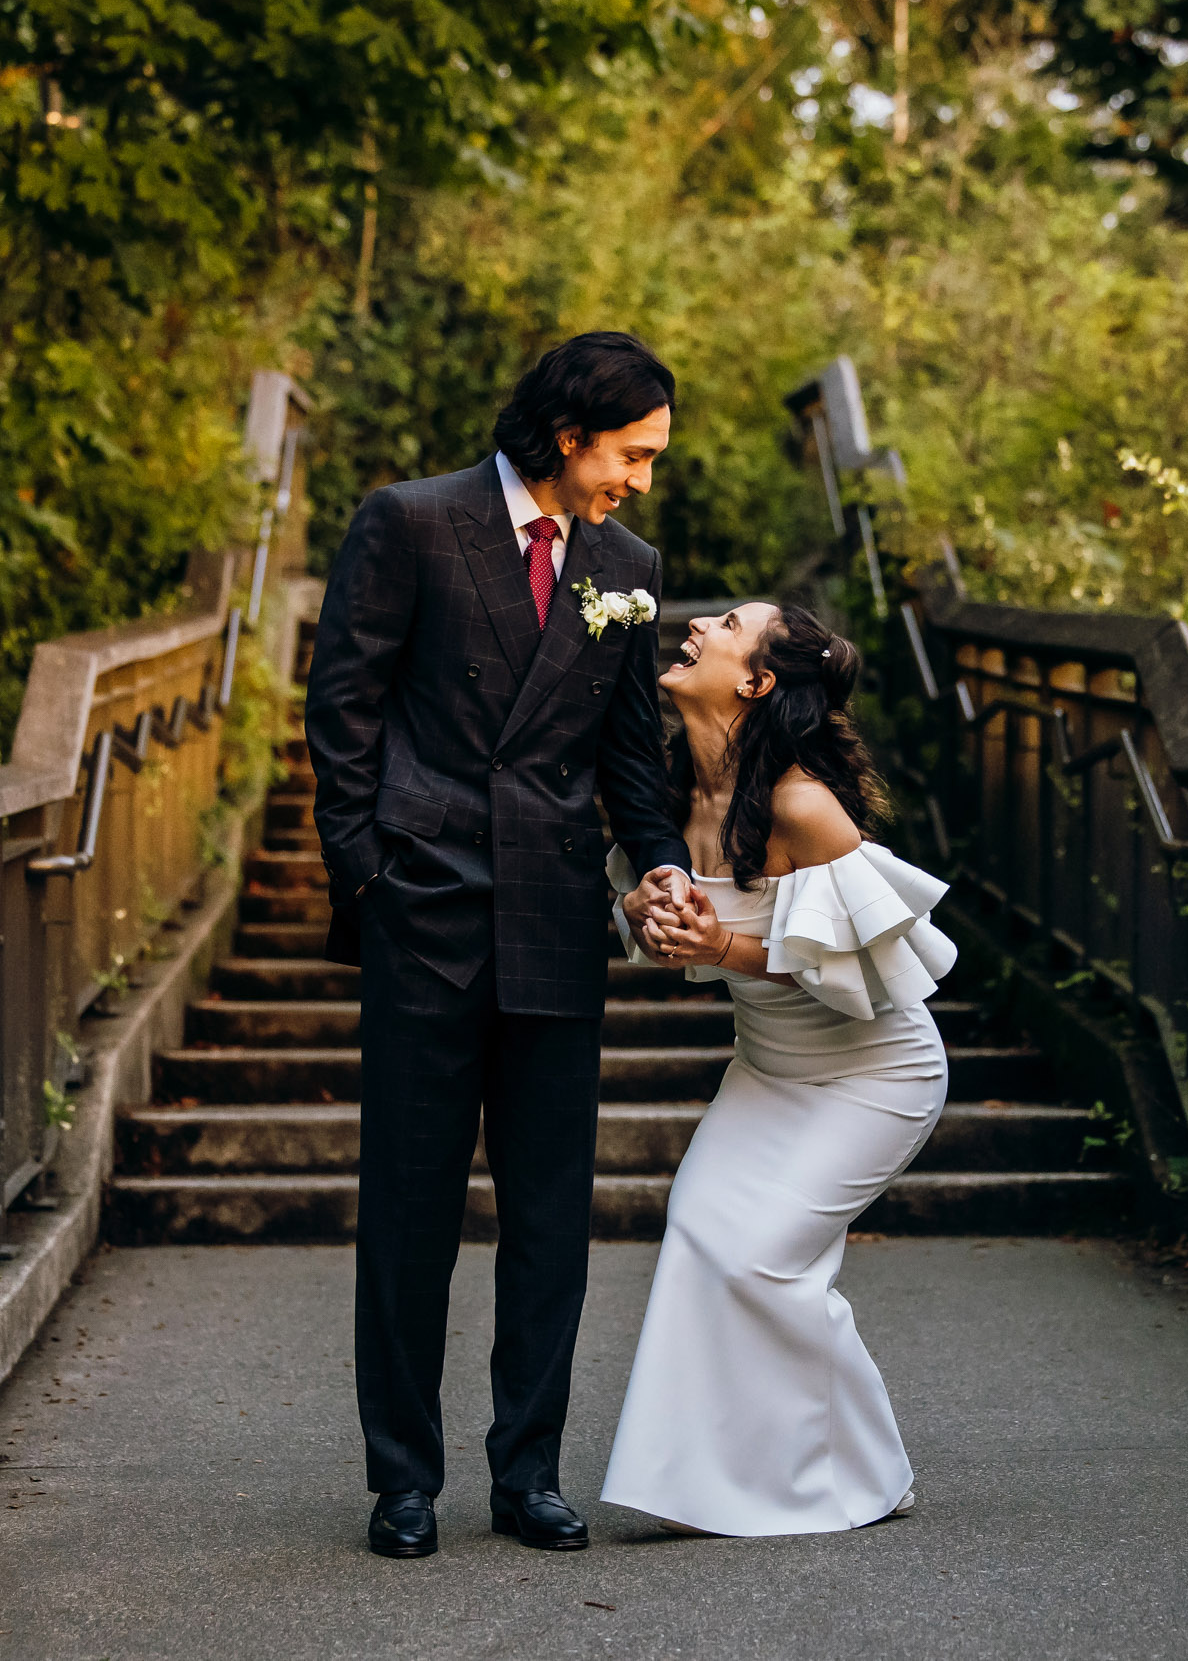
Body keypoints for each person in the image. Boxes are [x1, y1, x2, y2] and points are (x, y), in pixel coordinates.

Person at [303, 332, 696, 1559]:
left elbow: (631, 756)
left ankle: (527, 1470)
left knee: (548, 1218)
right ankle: (402, 1476)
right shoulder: (412, 521)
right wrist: (367, 873)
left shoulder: (626, 562)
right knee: (410, 1213)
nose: (639, 479)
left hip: (554, 916)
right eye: (633, 453)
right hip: (423, 905)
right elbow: (343, 708)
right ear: (572, 430)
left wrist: (661, 863)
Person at [601, 601, 957, 1536]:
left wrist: (724, 945)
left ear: (757, 681)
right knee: (698, 1233)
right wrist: (652, 914)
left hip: (875, 1076)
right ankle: (708, 1482)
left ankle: (861, 1470)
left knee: (761, 1260)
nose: (697, 625)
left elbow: (881, 974)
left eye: (725, 623)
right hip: (767, 1069)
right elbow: (662, 923)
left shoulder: (803, 805)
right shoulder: (671, 803)